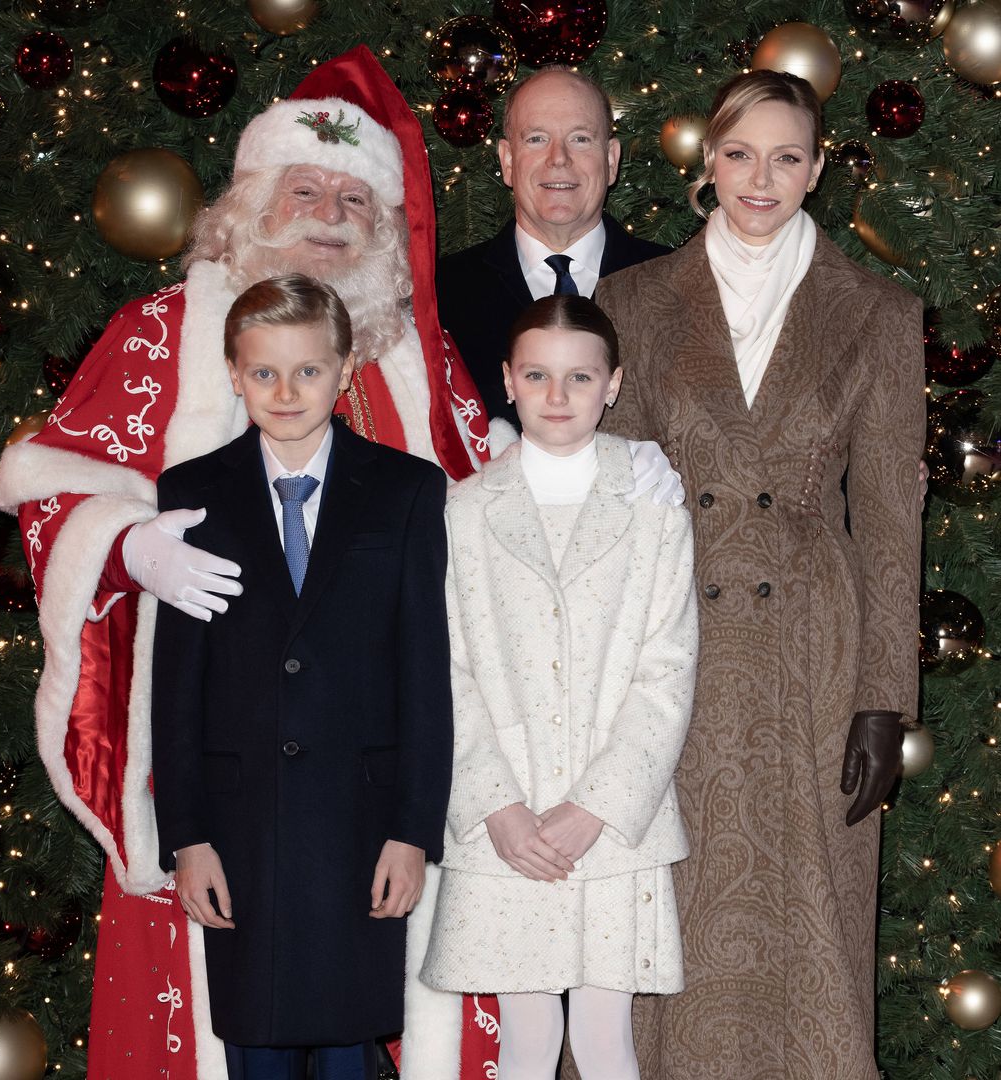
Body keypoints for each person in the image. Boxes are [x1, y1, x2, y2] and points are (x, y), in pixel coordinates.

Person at [0, 46, 493, 1080]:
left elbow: (492, 551)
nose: (330, 211)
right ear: (250, 202)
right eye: (303, 187)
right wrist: (125, 546)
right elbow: (47, 486)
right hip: (228, 792)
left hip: (374, 795)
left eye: (357, 196)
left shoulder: (423, 358)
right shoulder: (158, 336)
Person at [596, 70, 925, 1079]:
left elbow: (888, 518)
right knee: (668, 920)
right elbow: (606, 503)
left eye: (787, 157)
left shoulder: (875, 310)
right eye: (741, 154)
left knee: (811, 920)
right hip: (670, 656)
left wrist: (883, 698)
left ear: (818, 169)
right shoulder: (634, 302)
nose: (761, 178)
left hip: (811, 663)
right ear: (708, 162)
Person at [151, 274, 452, 1080]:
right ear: (233, 372)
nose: (285, 392)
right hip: (239, 837)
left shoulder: (407, 492)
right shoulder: (191, 496)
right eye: (263, 373)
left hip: (360, 832)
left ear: (345, 369)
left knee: (354, 1049)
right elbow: (175, 685)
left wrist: (414, 829)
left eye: (308, 371)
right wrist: (186, 836)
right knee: (256, 1049)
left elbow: (427, 675)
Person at [413, 295, 698, 1080]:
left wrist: (599, 805)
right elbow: (448, 673)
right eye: (537, 375)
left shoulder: (652, 508)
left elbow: (666, 669)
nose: (558, 396)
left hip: (613, 829)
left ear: (612, 384)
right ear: (507, 381)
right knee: (528, 1040)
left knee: (607, 1040)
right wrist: (496, 806)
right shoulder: (463, 514)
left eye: (580, 377)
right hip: (507, 826)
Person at [436, 67, 668, 429]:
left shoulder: (675, 283)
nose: (558, 158)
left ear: (611, 160)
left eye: (579, 139)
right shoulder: (441, 295)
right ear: (507, 160)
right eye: (536, 139)